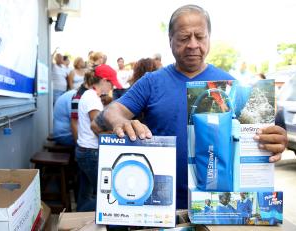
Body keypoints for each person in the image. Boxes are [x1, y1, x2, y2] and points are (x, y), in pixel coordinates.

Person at [91, 4, 287, 209]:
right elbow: (107, 116)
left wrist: (273, 140)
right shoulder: (152, 82)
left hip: (215, 206)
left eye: (200, 36)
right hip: (159, 205)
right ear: (170, 40)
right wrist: (121, 122)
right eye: (184, 38)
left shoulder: (229, 86)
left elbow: (255, 138)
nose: (193, 44)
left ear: (209, 37)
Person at [76, 64, 122, 211]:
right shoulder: (92, 98)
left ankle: (76, 221)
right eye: (111, 83)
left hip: (84, 150)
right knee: (107, 196)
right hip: (91, 152)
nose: (112, 88)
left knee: (85, 195)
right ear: (103, 80)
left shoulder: (89, 95)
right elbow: (97, 126)